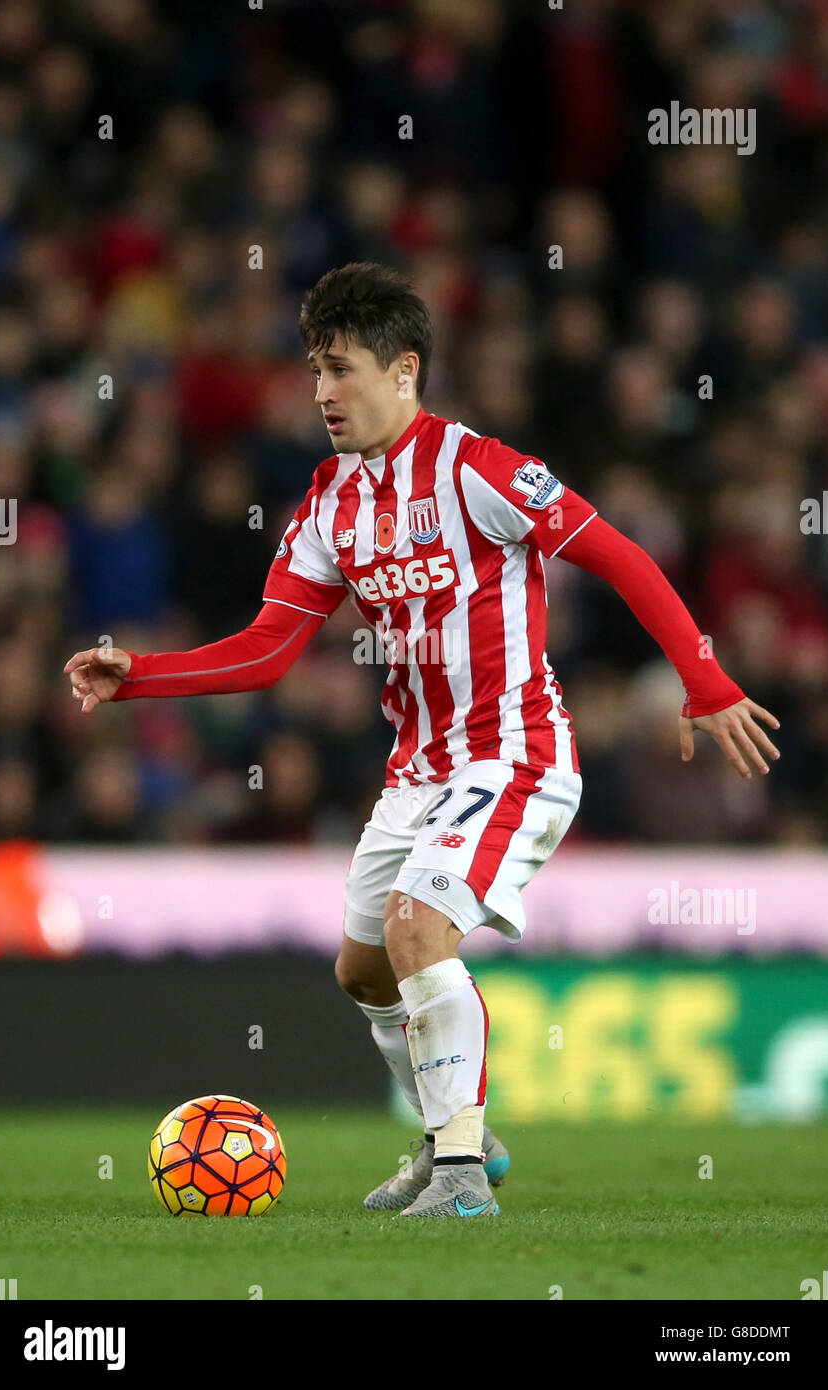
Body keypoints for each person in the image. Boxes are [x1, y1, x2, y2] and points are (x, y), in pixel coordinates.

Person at [64, 262, 780, 1219]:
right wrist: (140, 675)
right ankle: (463, 1133)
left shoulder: (478, 470)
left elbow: (618, 553)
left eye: (342, 369)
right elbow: (269, 650)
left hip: (516, 752)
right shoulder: (328, 499)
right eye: (315, 370)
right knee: (362, 968)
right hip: (420, 773)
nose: (321, 392)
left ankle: (458, 1176)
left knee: (416, 928)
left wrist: (704, 680)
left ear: (405, 370)